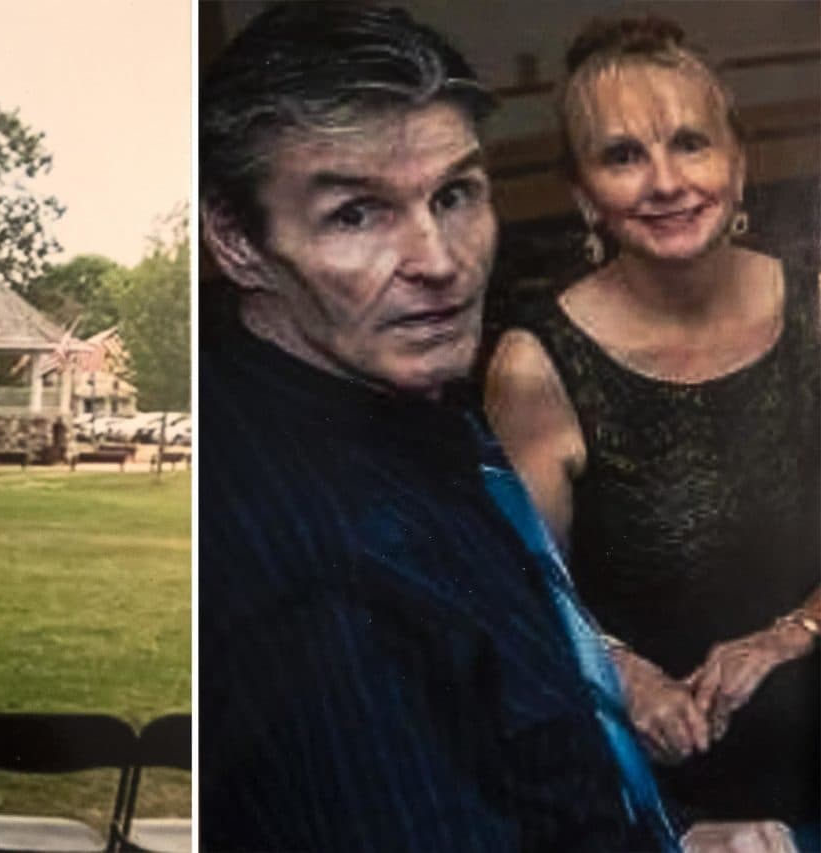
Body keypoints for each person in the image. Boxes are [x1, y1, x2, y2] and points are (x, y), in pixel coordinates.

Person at [193, 4, 695, 850]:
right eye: (356, 214)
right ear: (236, 240)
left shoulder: (390, 375)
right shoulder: (304, 575)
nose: (438, 260)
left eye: (454, 194)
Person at [485, 16, 820, 849]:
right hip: (671, 809)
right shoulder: (535, 367)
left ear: (737, 162)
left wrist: (795, 630)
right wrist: (623, 673)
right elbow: (520, 610)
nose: (665, 182)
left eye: (690, 143)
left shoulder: (819, 313)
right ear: (582, 192)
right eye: (622, 155)